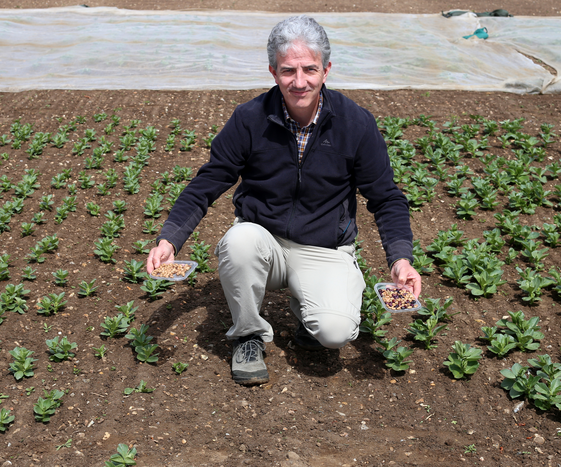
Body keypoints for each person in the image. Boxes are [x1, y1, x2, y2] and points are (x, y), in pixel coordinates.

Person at [147, 15, 421, 385]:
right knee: (239, 241)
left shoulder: (355, 124)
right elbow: (209, 180)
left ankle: (310, 311)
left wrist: (401, 258)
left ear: (326, 69)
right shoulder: (249, 119)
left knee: (335, 332)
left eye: (310, 69)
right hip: (264, 240)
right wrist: (170, 238)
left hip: (325, 248)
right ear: (273, 71)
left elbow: (386, 197)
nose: (299, 81)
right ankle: (248, 335)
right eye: (288, 70)